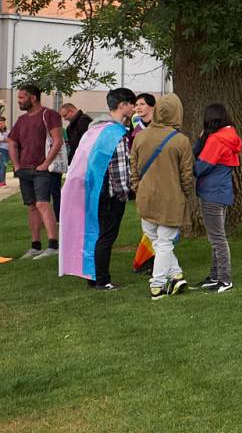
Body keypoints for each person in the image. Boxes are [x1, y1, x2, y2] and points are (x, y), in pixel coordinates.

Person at [57, 87, 135, 290]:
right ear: (123, 105)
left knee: (94, 232)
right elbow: (119, 170)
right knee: (106, 236)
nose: (134, 108)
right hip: (110, 193)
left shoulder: (94, 130)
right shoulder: (116, 133)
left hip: (92, 191)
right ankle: (102, 280)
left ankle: (92, 277)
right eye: (132, 104)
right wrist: (126, 192)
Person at [130, 93, 196, 297]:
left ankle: (175, 274)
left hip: (145, 197)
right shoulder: (181, 141)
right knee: (164, 242)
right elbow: (187, 174)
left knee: (158, 241)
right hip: (171, 198)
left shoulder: (140, 136)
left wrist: (138, 189)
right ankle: (157, 285)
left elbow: (133, 168)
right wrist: (184, 194)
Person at [8, 83, 62, 259]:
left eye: (22, 97)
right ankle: (35, 246)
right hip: (25, 169)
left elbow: (58, 140)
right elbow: (12, 141)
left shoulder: (49, 115)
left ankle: (53, 246)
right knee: (31, 206)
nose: (19, 100)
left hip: (42, 170)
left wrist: (46, 164)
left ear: (33, 98)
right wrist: (16, 165)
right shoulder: (22, 120)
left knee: (42, 204)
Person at [193, 103, 242, 292]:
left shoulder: (216, 140)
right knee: (216, 236)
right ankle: (215, 276)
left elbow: (200, 168)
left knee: (217, 239)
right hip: (222, 191)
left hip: (212, 193)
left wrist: (198, 145)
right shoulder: (230, 137)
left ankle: (224, 279)